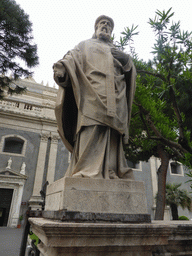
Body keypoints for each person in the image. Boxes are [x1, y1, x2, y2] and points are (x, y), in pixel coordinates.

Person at [53, 15, 136, 179]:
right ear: (96, 27)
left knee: (112, 133)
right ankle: (85, 169)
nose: (105, 26)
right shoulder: (85, 45)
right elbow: (70, 59)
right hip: (91, 91)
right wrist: (62, 68)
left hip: (116, 95)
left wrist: (127, 61)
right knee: (90, 127)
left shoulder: (117, 51)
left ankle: (111, 169)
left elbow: (129, 71)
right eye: (102, 23)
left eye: (108, 25)